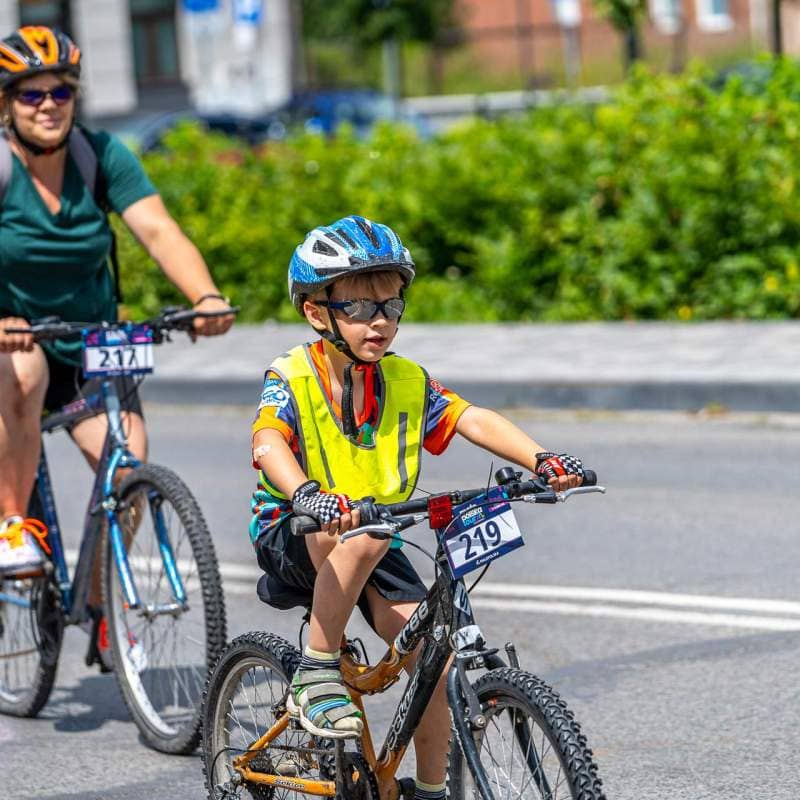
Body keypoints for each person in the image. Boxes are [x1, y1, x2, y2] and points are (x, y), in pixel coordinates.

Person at [249, 215, 585, 799]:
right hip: (297, 531)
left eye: (391, 305)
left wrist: (542, 459)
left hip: (372, 535)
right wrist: (306, 493)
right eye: (358, 307)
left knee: (436, 664)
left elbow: (470, 418)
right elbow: (268, 441)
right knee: (366, 537)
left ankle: (431, 792)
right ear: (317, 312)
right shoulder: (292, 375)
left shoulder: (405, 380)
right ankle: (316, 670)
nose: (379, 320)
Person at [0, 26, 234, 664]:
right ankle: (13, 527)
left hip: (90, 345)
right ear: (8, 105)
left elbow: (158, 230)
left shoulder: (99, 156)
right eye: (30, 94)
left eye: (60, 91)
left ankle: (102, 604)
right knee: (22, 367)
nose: (48, 105)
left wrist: (205, 297)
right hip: (15, 341)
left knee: (128, 467)